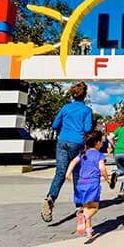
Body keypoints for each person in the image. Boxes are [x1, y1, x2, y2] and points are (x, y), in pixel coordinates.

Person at [41, 82, 93, 223]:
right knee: (77, 174)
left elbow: (54, 125)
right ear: (85, 95)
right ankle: (79, 206)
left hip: (62, 141)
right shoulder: (86, 110)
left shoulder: (65, 108)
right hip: (77, 143)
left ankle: (51, 198)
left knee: (61, 172)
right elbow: (88, 128)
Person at [65, 130, 111, 237]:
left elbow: (73, 162)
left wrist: (68, 173)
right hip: (92, 183)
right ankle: (84, 218)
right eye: (102, 141)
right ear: (97, 143)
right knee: (94, 207)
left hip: (81, 183)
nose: (102, 143)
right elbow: (102, 168)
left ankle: (88, 230)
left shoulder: (82, 153)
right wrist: (107, 178)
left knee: (86, 206)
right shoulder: (99, 155)